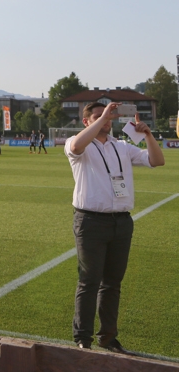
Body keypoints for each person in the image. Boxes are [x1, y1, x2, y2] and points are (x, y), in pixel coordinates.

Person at [66, 102, 163, 353]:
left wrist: (148, 135)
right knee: (89, 281)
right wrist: (103, 117)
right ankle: (83, 338)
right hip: (90, 221)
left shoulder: (122, 146)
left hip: (121, 222)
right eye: (99, 117)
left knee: (112, 283)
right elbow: (77, 146)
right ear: (87, 122)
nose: (106, 120)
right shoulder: (78, 143)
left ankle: (108, 337)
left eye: (108, 116)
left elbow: (157, 160)